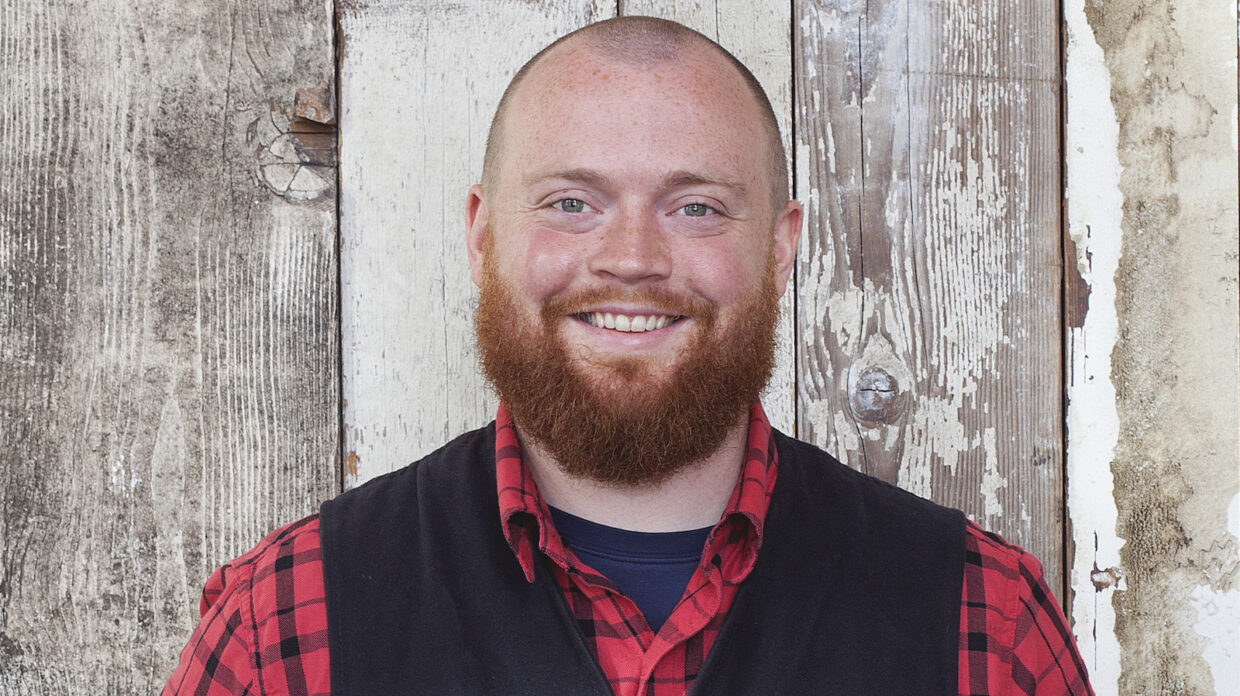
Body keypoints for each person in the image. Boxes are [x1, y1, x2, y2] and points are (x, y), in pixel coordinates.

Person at [163, 16, 1093, 696]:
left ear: (778, 246)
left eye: (695, 207)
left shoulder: (983, 619)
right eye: (572, 202)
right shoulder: (281, 623)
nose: (634, 260)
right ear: (483, 235)